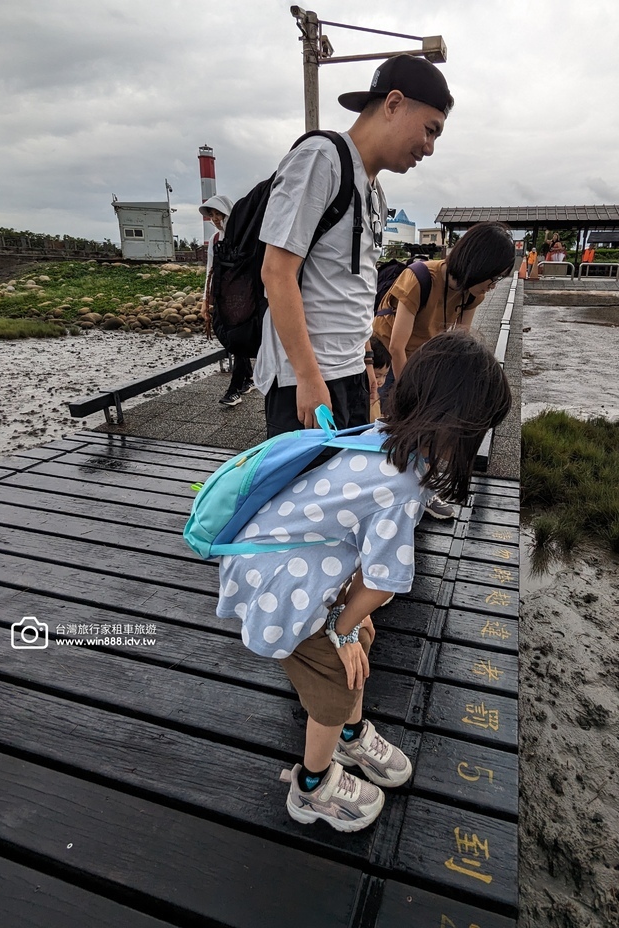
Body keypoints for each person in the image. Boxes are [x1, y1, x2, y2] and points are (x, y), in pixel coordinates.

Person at [216, 332, 511, 832]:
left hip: (287, 561)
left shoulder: (383, 437)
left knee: (362, 635)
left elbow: (361, 572)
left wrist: (351, 624)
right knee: (332, 674)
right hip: (283, 586)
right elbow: (381, 582)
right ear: (456, 426)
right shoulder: (403, 484)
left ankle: (351, 735)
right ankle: (312, 787)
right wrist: (341, 628)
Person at [256, 54, 454, 438]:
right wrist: (308, 377)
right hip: (308, 377)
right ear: (394, 104)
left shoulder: (375, 191)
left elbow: (357, 286)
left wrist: (366, 362)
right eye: (430, 130)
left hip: (350, 373)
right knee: (304, 495)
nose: (429, 147)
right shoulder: (321, 159)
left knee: (340, 493)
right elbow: (276, 271)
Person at [372, 222, 514, 517]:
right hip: (391, 353)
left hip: (425, 357)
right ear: (477, 264)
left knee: (431, 432)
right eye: (492, 277)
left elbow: (458, 343)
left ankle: (423, 492)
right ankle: (383, 496)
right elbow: (398, 347)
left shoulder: (473, 293)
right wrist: (412, 393)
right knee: (394, 427)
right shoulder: (419, 278)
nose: (493, 285)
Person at [199, 194, 253, 407]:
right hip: (223, 295)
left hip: (242, 296)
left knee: (237, 340)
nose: (215, 218)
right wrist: (206, 300)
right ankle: (248, 378)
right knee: (230, 339)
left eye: (218, 214)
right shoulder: (214, 240)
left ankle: (235, 389)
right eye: (211, 215)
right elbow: (210, 271)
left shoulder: (243, 235)